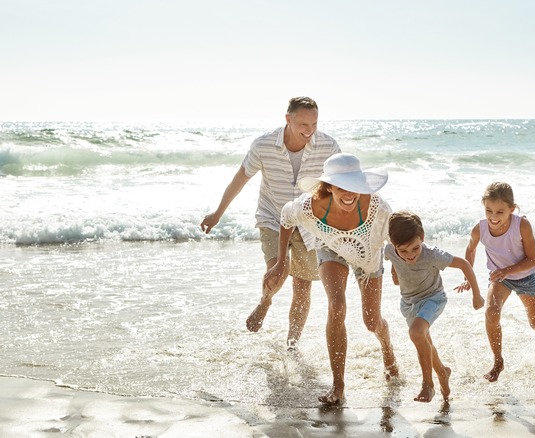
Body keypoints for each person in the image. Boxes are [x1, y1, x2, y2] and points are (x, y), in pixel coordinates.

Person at [200, 97, 341, 347]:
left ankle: (292, 344)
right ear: (288, 119)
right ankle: (266, 301)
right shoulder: (264, 144)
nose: (309, 131)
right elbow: (241, 178)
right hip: (273, 217)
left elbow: (343, 184)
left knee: (302, 287)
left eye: (314, 124)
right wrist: (217, 213)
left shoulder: (328, 146)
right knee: (279, 266)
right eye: (303, 125)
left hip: (309, 223)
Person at [263, 153, 398, 406]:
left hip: (368, 253)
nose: (349, 194)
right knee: (337, 306)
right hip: (331, 247)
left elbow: (393, 236)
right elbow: (285, 218)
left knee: (371, 320)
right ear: (328, 187)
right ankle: (338, 385)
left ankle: (388, 351)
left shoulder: (377, 207)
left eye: (353, 188)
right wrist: (282, 262)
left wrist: (397, 267)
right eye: (340, 187)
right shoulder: (309, 206)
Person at [460, 182, 535, 382]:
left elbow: (533, 260)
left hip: (524, 277)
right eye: (488, 210)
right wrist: (467, 274)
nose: (493, 216)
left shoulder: (521, 225)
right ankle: (498, 361)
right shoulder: (479, 229)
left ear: (512, 209)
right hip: (500, 279)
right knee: (491, 312)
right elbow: (471, 249)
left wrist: (507, 270)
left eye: (500, 211)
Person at [384, 211, 484, 403]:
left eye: (415, 248)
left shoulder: (432, 255)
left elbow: (464, 264)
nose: (410, 255)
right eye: (403, 251)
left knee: (415, 333)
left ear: (422, 238)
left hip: (433, 298)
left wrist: (476, 294)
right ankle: (443, 372)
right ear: (393, 243)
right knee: (424, 340)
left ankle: (427, 385)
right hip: (408, 304)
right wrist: (394, 271)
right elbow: (393, 260)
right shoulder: (390, 250)